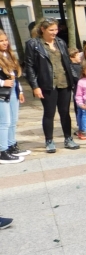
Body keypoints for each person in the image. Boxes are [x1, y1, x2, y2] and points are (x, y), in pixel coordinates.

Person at [24, 17, 80, 153]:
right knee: (49, 113)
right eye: (51, 30)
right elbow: (29, 67)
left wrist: (76, 80)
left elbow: (67, 63)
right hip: (47, 84)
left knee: (65, 112)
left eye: (56, 29)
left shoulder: (61, 42)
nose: (54, 32)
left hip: (64, 83)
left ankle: (68, 138)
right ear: (43, 29)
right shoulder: (33, 44)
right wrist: (35, 86)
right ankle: (49, 140)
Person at [0, 30, 29, 163]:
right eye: (1, 41)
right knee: (4, 122)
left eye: (6, 40)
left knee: (13, 120)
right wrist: (2, 82)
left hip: (13, 91)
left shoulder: (8, 54)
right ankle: (2, 151)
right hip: (2, 93)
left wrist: (20, 90)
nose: (5, 43)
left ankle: (11, 146)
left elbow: (14, 77)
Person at [68, 49, 86, 141]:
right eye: (77, 55)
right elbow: (77, 78)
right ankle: (84, 131)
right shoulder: (72, 67)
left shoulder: (78, 66)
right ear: (72, 57)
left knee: (79, 112)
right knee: (83, 112)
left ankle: (81, 129)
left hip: (77, 92)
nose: (79, 56)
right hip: (80, 92)